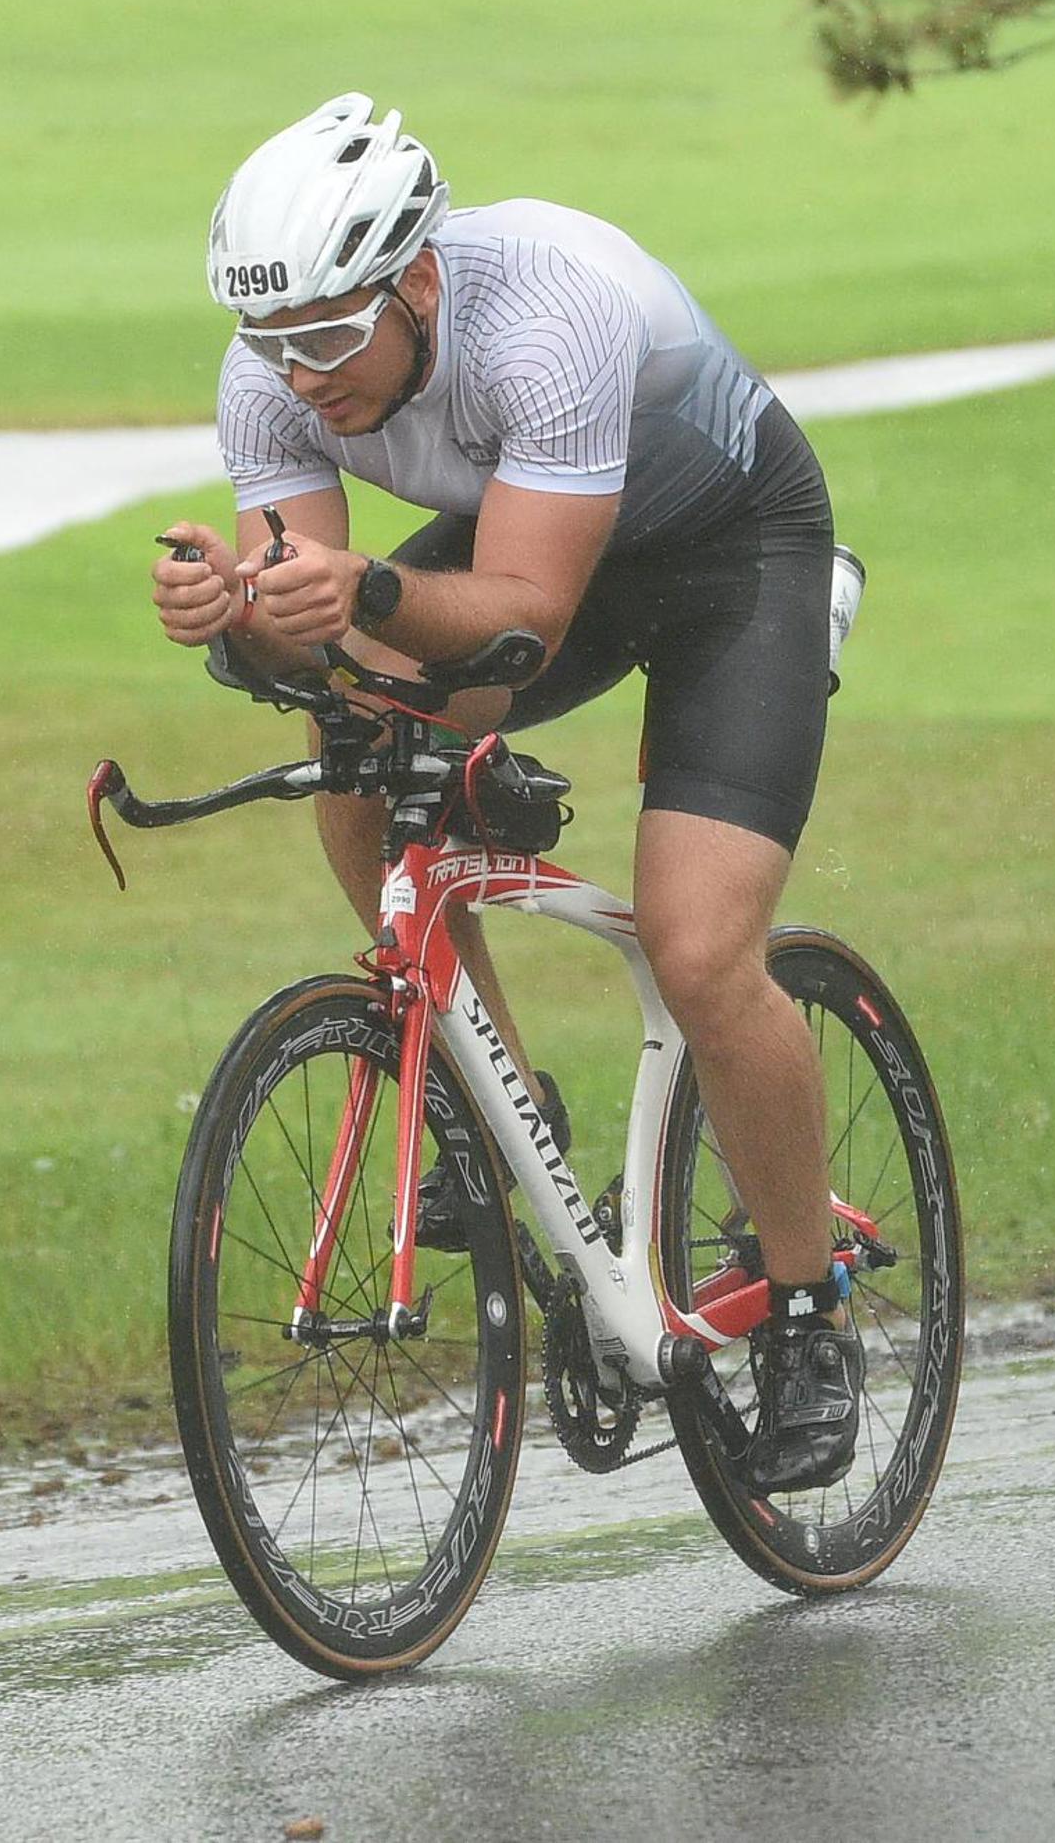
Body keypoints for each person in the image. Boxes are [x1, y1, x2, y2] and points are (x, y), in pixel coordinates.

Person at [149, 93, 860, 1493]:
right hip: (539, 542)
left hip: (730, 559)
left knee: (702, 949)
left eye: (330, 337)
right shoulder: (277, 371)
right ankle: (495, 1100)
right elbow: (311, 631)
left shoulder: (553, 311)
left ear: (417, 277)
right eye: (274, 343)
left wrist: (357, 595)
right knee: (351, 757)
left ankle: (806, 1310)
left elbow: (526, 608)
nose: (302, 377)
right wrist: (231, 611)